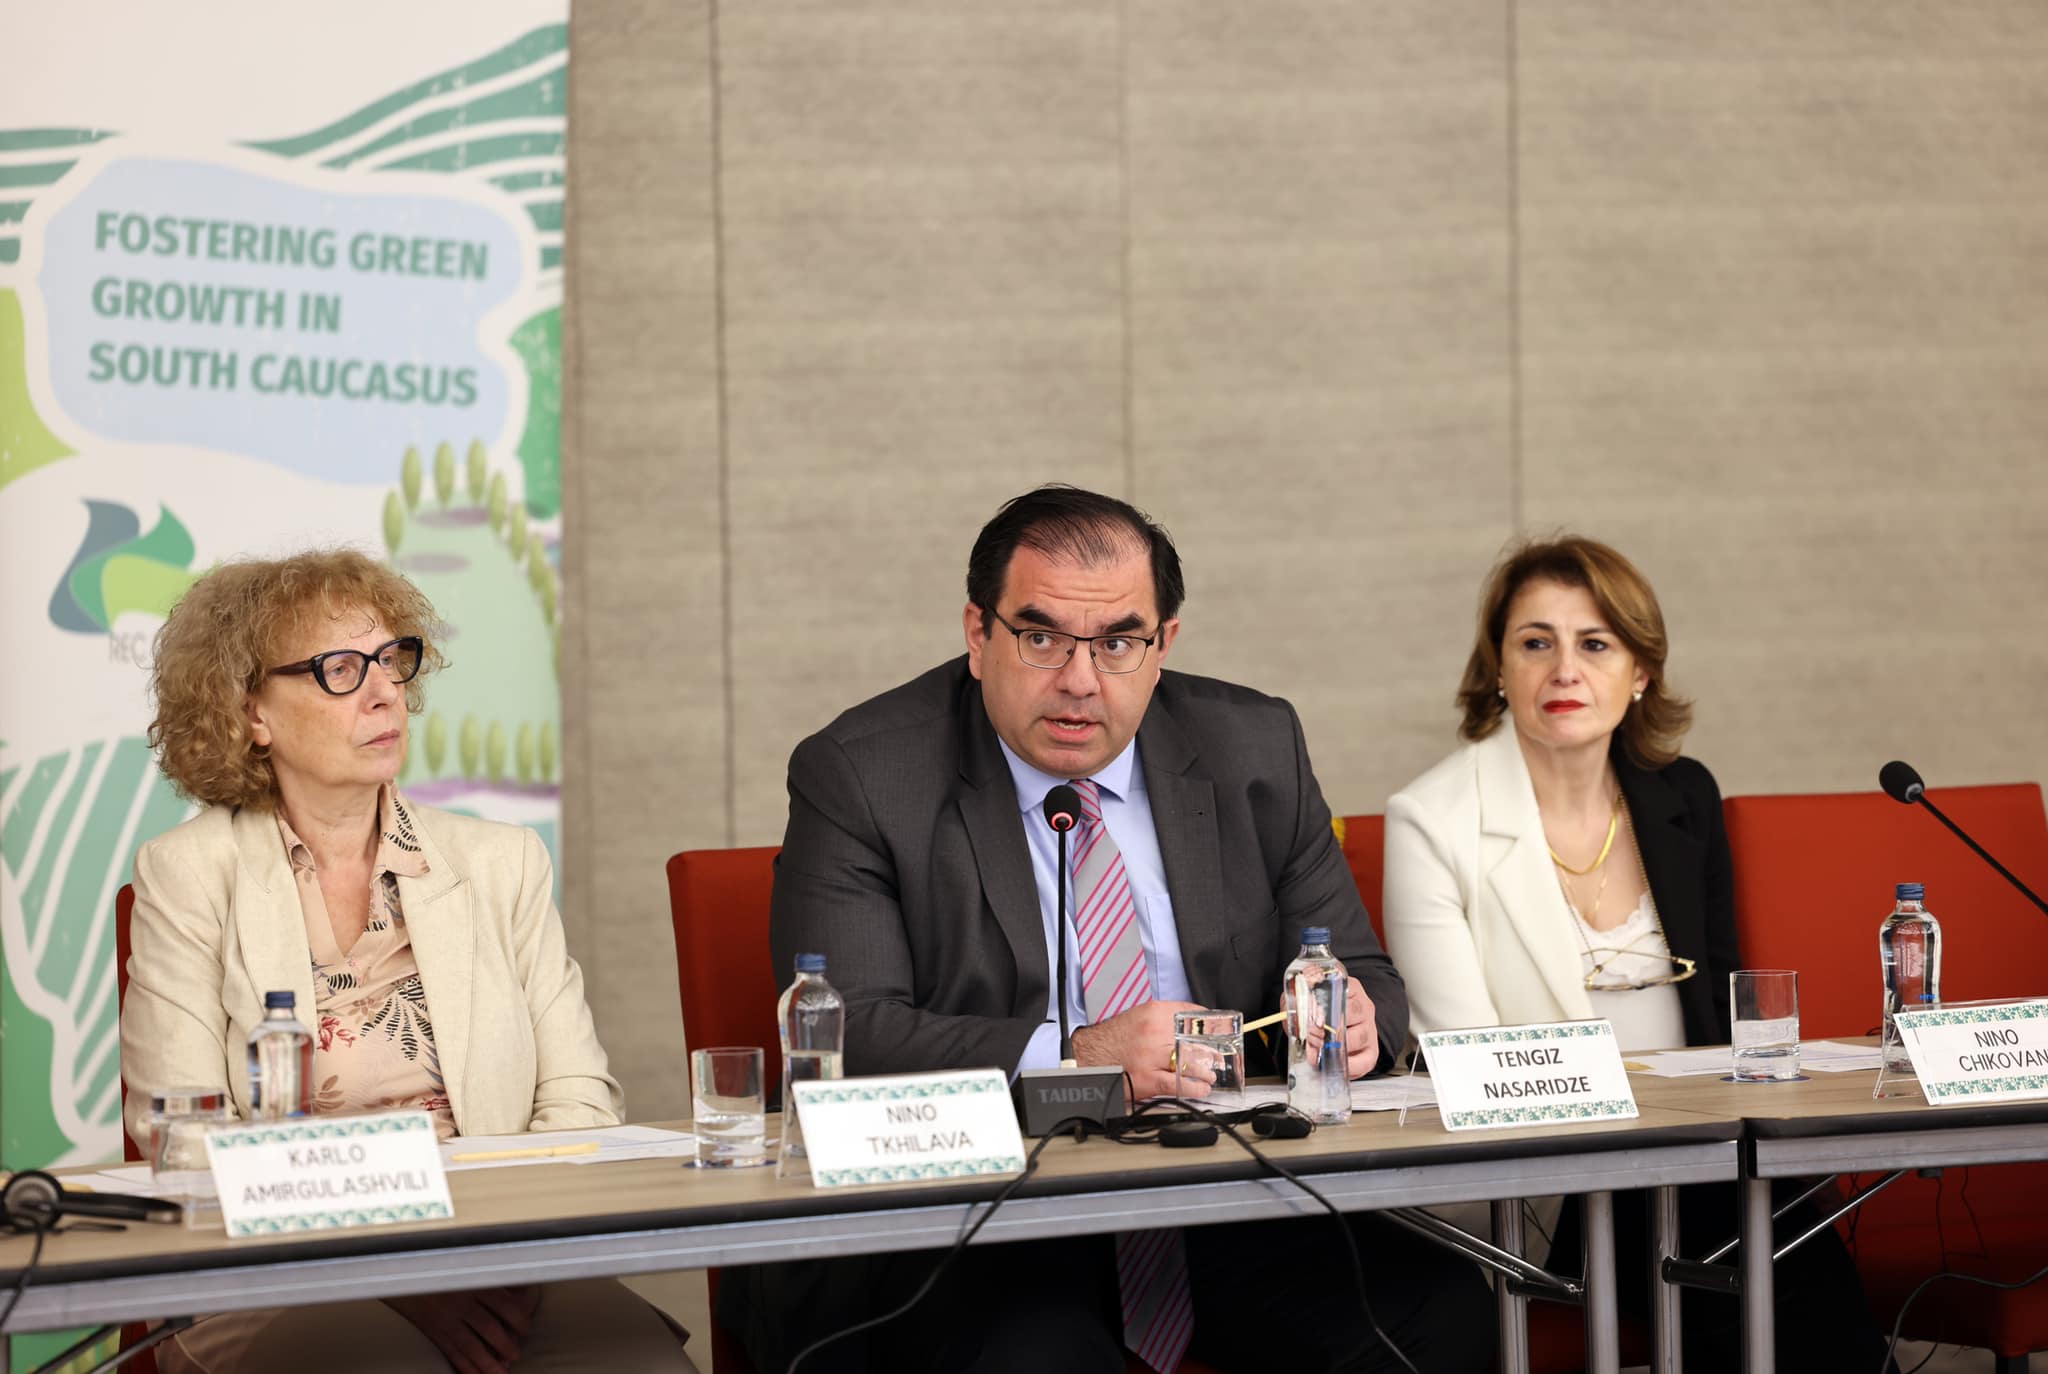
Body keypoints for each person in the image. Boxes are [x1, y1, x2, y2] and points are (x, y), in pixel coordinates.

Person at [719, 486, 1495, 1374]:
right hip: (975, 1222)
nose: (1081, 680)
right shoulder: (863, 773)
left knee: (1439, 1317)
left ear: (1164, 645)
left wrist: (1356, 1021)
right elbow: (849, 1033)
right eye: (1041, 638)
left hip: (1220, 1199)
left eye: (1119, 643)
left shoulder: (1254, 748)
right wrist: (1077, 1055)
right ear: (977, 634)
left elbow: (1364, 973)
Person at [121, 549, 694, 1374]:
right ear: (252, 713)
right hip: (273, 1270)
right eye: (340, 670)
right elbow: (184, 1137)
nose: (386, 691)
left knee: (643, 1363)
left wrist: (475, 1259)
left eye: (392, 659)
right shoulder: (187, 873)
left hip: (497, 1253)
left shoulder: (501, 862)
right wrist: (393, 1277)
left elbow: (580, 1103)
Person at [1381, 534, 1892, 1370]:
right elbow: (1468, 1061)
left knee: (1782, 1238)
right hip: (1545, 1186)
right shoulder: (1431, 821)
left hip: (1702, 1160)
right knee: (1750, 1250)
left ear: (1641, 671)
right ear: (1498, 667)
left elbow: (1726, 1020)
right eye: (1535, 643)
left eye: (1596, 644)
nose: (1564, 671)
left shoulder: (1682, 795)